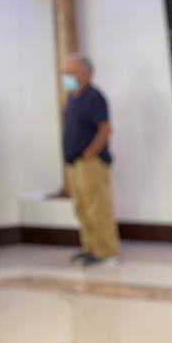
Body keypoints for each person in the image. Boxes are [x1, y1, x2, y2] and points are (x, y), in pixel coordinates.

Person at [61, 54, 120, 268]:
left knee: (98, 208)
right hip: (74, 164)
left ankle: (107, 252)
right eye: (65, 72)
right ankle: (90, 248)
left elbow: (105, 129)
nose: (66, 77)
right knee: (82, 208)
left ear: (86, 74)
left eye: (71, 73)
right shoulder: (72, 97)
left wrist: (89, 154)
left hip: (90, 164)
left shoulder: (94, 97)